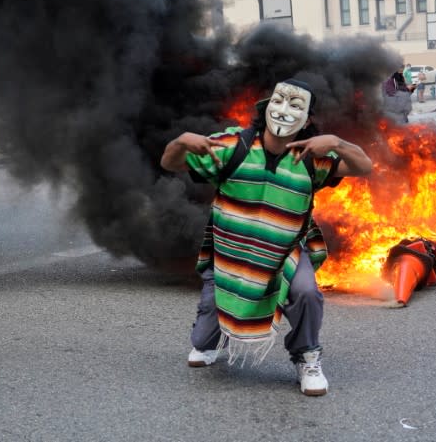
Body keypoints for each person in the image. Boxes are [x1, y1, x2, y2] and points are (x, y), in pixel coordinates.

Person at [160, 78, 373, 396]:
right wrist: (181, 143)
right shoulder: (232, 145)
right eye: (280, 101)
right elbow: (169, 162)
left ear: (307, 119)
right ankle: (213, 336)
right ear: (266, 106)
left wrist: (337, 143)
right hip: (231, 257)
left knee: (307, 293)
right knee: (200, 349)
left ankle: (306, 356)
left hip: (285, 252)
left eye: (296, 105)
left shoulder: (311, 157)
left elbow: (364, 166)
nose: (285, 110)